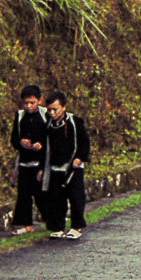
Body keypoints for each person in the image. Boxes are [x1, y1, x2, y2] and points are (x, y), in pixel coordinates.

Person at [39, 90, 91, 240]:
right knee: (55, 198)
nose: (52, 112)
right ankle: (58, 227)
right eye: (49, 109)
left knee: (76, 197)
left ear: (64, 107)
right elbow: (45, 148)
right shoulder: (48, 125)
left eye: (55, 109)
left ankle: (76, 226)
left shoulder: (75, 122)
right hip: (55, 167)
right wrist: (42, 168)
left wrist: (80, 158)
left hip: (73, 167)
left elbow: (84, 142)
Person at [10, 84, 48, 234]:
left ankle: (52, 219)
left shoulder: (46, 115)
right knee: (24, 194)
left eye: (32, 102)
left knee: (41, 193)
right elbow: (13, 139)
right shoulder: (19, 116)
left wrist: (41, 144)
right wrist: (21, 142)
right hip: (25, 162)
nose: (29, 106)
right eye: (26, 103)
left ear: (39, 100)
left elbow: (52, 137)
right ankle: (26, 224)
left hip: (41, 162)